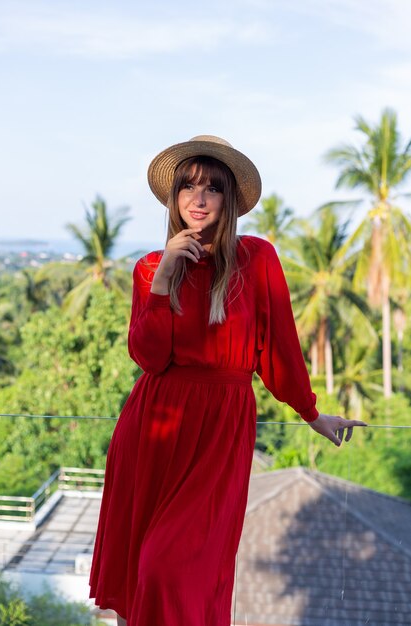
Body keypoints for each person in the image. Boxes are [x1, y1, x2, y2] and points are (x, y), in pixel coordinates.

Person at [89, 135, 366, 626]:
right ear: (174, 199)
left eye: (212, 188)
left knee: (170, 569)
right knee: (144, 571)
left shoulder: (257, 259)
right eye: (188, 187)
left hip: (220, 429)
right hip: (155, 426)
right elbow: (148, 357)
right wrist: (164, 278)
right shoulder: (152, 266)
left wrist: (312, 413)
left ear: (229, 200)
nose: (198, 199)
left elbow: (278, 350)